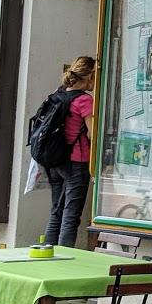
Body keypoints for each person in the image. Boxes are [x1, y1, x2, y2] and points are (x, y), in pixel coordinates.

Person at [43, 56, 95, 249]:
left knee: (57, 211)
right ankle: (64, 258)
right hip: (76, 161)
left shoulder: (58, 94)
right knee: (71, 215)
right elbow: (93, 133)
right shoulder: (84, 100)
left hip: (54, 160)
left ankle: (48, 253)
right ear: (89, 76)